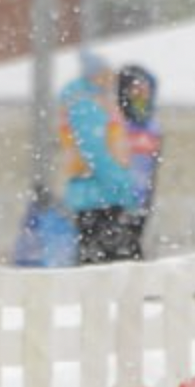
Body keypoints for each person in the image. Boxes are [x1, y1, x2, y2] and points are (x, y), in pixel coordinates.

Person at [58, 51, 146, 264]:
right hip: (99, 195)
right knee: (112, 261)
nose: (111, 81)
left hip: (95, 194)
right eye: (107, 75)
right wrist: (121, 186)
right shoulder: (87, 105)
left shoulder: (89, 101)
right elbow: (95, 151)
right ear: (95, 75)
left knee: (101, 259)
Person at [116, 64, 163, 258]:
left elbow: (153, 167)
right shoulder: (116, 123)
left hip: (141, 202)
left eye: (145, 90)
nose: (141, 96)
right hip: (114, 202)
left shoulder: (153, 127)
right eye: (135, 90)